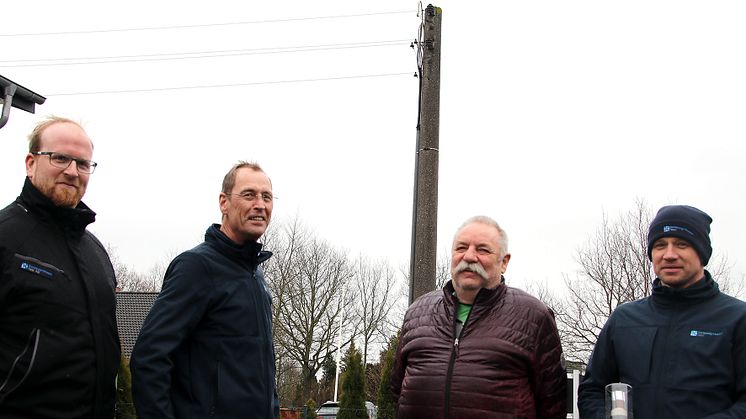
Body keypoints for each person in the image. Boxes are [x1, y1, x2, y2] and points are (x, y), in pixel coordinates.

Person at [131, 161, 279, 419]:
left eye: (266, 197)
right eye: (249, 195)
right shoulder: (196, 267)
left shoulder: (255, 275)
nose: (260, 204)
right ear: (224, 202)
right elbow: (149, 359)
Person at [0, 117, 119, 418]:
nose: (72, 171)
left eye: (82, 163)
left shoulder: (96, 253)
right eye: (60, 158)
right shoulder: (5, 237)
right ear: (30, 163)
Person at [578, 205, 746, 418]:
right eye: (659, 245)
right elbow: (591, 391)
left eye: (682, 244)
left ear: (702, 253)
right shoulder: (624, 319)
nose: (669, 255)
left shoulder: (737, 318)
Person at [391, 216, 567, 418]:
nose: (469, 256)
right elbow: (398, 390)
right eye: (461, 248)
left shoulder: (534, 317)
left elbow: (553, 404)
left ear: (504, 262)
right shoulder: (417, 313)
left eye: (482, 249)